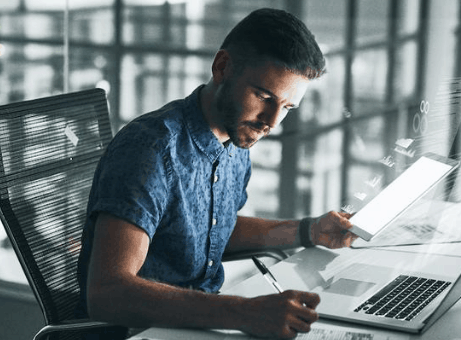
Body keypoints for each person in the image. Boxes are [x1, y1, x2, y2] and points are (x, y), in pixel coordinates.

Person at [76, 8, 358, 339]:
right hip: (143, 332)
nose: (272, 121)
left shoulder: (235, 139)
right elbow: (108, 293)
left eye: (287, 107)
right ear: (222, 67)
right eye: (264, 96)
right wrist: (244, 312)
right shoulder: (150, 149)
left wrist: (310, 231)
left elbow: (213, 232)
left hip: (200, 325)